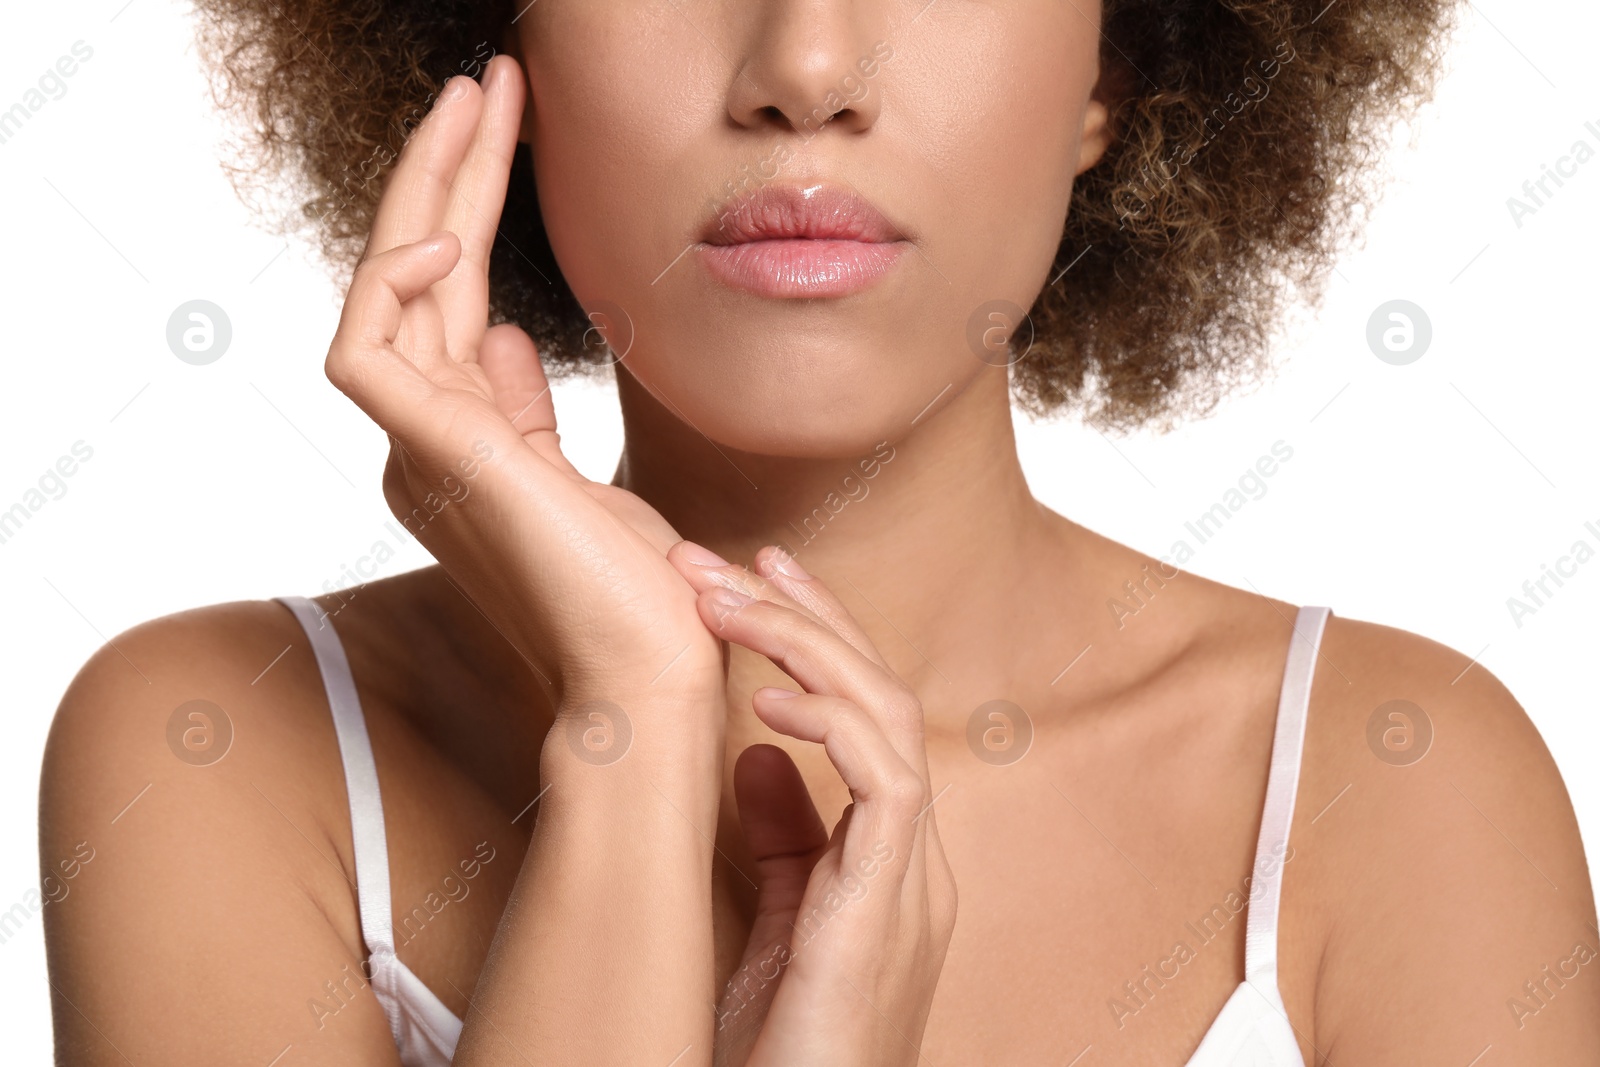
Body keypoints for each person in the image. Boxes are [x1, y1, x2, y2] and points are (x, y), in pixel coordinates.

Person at [40, 0, 1600, 1063]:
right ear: (494, 48)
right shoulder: (219, 751)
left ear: (1117, 70)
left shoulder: (1391, 785)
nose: (805, 65)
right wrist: (633, 733)